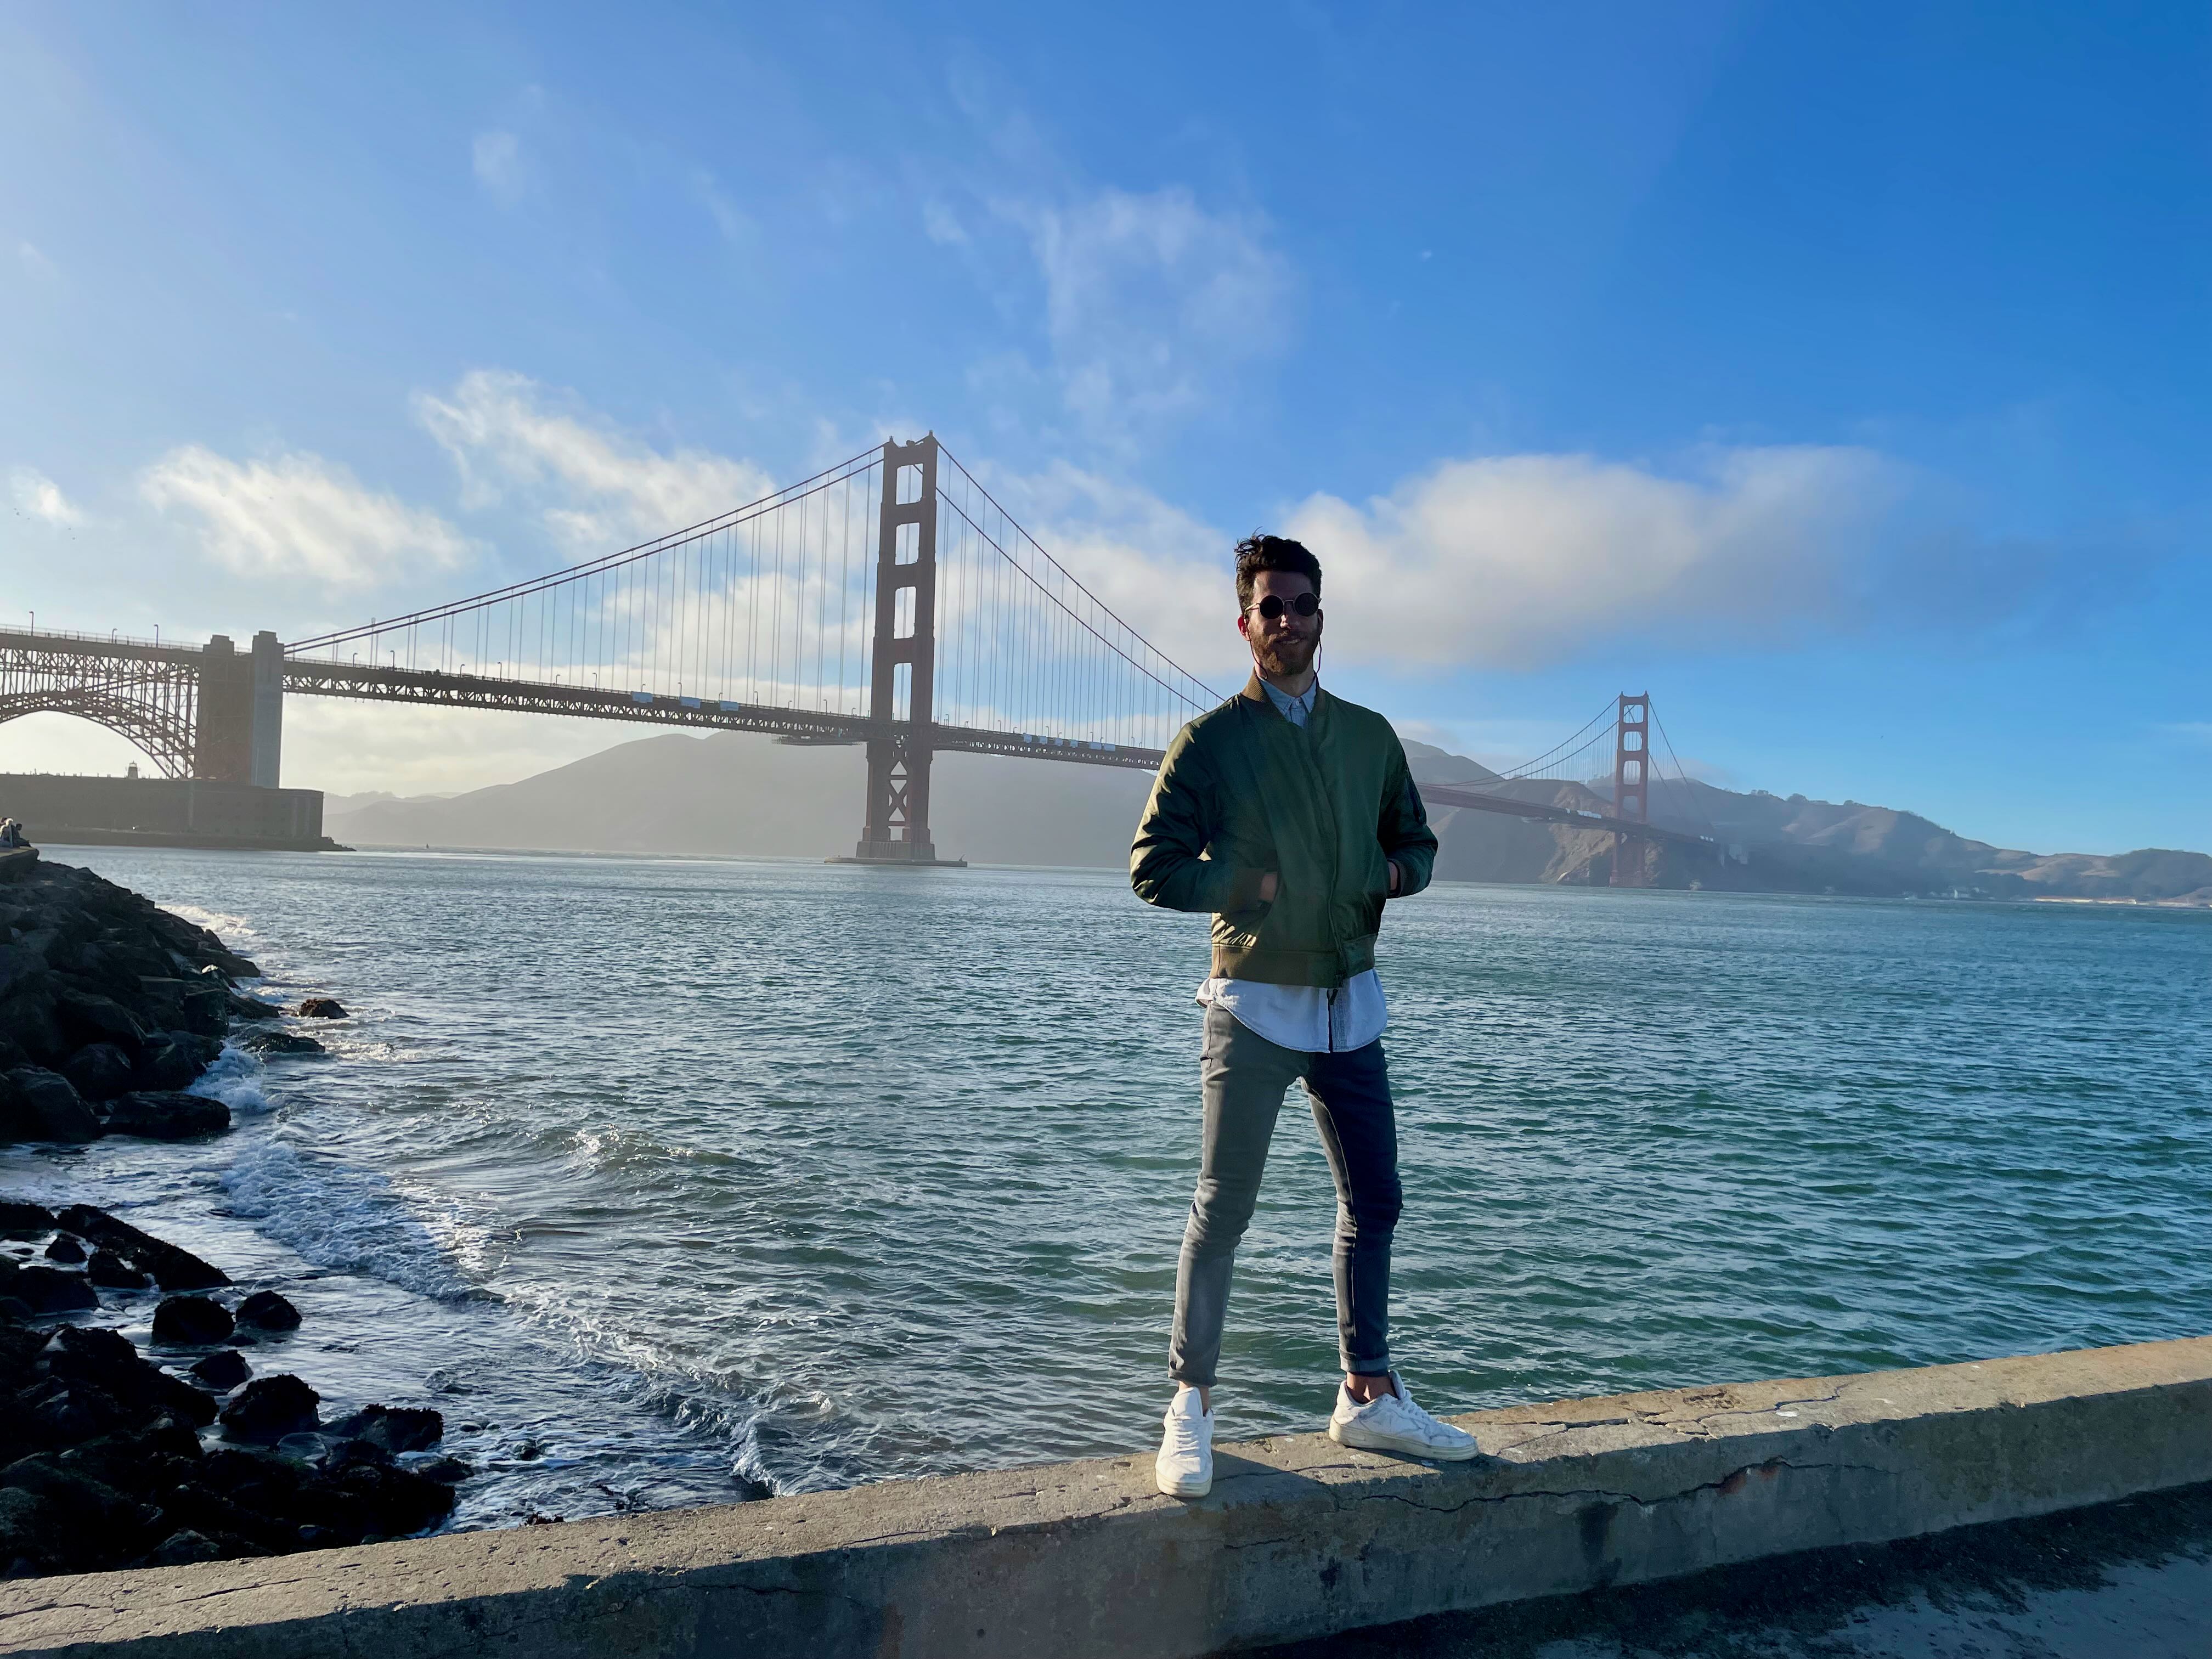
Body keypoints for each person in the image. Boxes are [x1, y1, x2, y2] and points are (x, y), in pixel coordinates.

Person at [1130, 533, 1480, 1499]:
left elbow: (1417, 843)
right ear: (1244, 622)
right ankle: (1190, 1405)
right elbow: (1153, 868)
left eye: (1303, 604)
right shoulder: (1209, 743)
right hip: (1252, 1007)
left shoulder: (1370, 737)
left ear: (1323, 616)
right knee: (1222, 1207)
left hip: (1351, 1006)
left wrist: (1389, 875)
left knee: (1377, 1203)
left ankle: (1367, 1395)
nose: (1288, 620)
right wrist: (1250, 886)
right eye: (1270, 606)